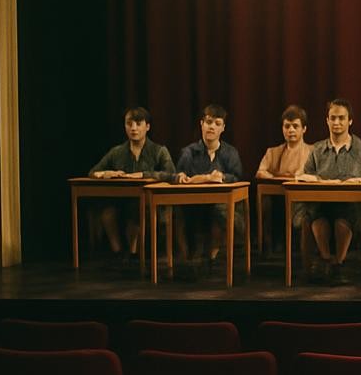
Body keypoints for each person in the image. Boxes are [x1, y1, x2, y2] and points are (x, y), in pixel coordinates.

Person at [294, 98, 361, 284]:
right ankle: (327, 260)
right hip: (321, 201)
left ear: (350, 121)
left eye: (341, 118)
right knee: (314, 216)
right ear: (327, 120)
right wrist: (312, 179)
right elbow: (306, 173)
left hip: (349, 203)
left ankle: (339, 264)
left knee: (344, 217)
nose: (337, 123)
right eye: (333, 118)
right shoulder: (318, 149)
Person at [87, 106, 176, 256]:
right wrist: (105, 174)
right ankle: (119, 252)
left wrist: (143, 175)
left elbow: (171, 174)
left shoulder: (159, 150)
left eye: (138, 124)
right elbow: (93, 172)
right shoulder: (117, 152)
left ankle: (135, 254)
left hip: (148, 201)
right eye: (129, 124)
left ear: (147, 127)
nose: (133, 128)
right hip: (121, 198)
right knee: (107, 212)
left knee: (136, 210)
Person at [174, 104, 246, 267]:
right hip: (193, 203)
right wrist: (183, 177)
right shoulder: (188, 152)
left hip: (220, 203)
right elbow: (179, 175)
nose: (212, 127)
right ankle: (187, 260)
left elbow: (237, 177)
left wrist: (222, 177)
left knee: (222, 211)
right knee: (176, 211)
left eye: (217, 123)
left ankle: (214, 257)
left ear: (223, 128)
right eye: (208, 122)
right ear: (201, 124)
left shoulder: (230, 153)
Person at [254, 104, 312, 254]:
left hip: (302, 198)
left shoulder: (312, 152)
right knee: (266, 202)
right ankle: (268, 246)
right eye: (287, 126)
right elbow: (260, 172)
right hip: (277, 198)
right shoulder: (273, 152)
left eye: (295, 126)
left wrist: (294, 177)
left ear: (304, 129)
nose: (290, 130)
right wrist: (276, 177)